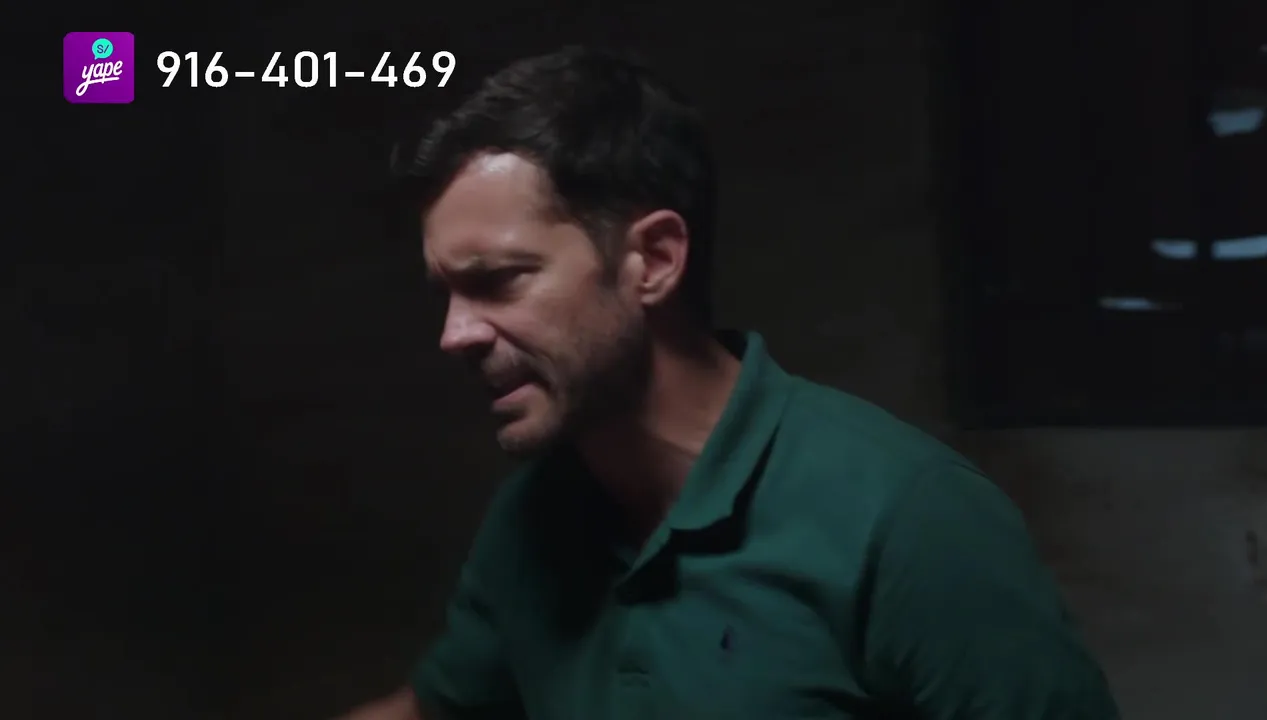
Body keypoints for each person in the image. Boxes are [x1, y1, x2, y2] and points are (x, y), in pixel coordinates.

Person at [340, 46, 1120, 720]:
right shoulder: (534, 518)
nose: (455, 334)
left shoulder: (909, 518)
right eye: (447, 293)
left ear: (654, 260)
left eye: (499, 280)